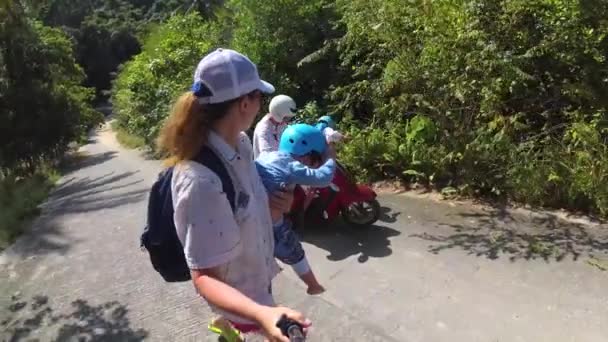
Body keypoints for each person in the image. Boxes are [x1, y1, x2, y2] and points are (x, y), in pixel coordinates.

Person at [156, 48, 309, 341]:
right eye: (259, 97)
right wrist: (262, 315)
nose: (260, 105)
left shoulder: (240, 145)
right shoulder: (199, 181)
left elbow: (243, 211)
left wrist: (276, 209)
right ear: (244, 103)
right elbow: (203, 277)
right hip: (244, 309)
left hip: (256, 290)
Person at [255, 124, 336, 295]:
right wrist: (330, 156)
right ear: (306, 157)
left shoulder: (268, 155)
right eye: (316, 160)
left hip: (250, 219)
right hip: (271, 225)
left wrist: (323, 125)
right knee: (293, 250)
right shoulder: (291, 166)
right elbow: (324, 178)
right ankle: (313, 286)